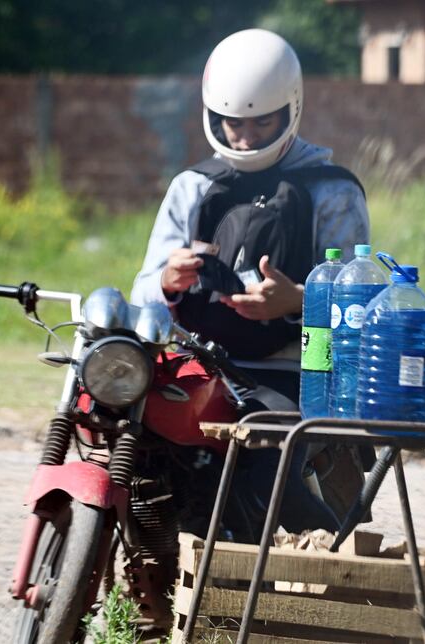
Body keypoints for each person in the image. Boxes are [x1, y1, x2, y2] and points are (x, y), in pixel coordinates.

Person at [131, 28, 369, 542]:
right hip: (195, 365)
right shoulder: (191, 186)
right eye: (233, 124)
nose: (245, 137)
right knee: (132, 447)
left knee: (264, 486)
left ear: (292, 109)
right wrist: (169, 283)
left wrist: (299, 301)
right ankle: (147, 582)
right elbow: (141, 294)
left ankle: (331, 575)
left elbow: (361, 305)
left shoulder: (334, 192)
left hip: (294, 375)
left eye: (262, 123)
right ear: (213, 115)